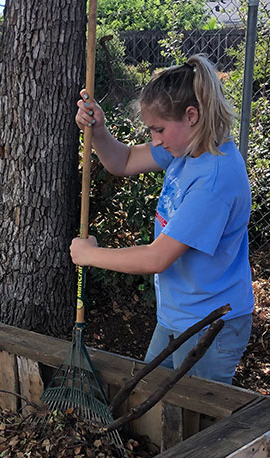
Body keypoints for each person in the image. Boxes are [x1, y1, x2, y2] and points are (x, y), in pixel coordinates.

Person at [70, 53, 254, 385]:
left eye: (159, 129)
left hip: (211, 324)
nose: (154, 140)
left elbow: (157, 257)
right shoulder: (185, 149)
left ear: (192, 116)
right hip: (178, 315)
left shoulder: (215, 178)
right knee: (151, 396)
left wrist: (91, 256)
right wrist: (98, 131)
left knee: (198, 418)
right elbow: (123, 160)